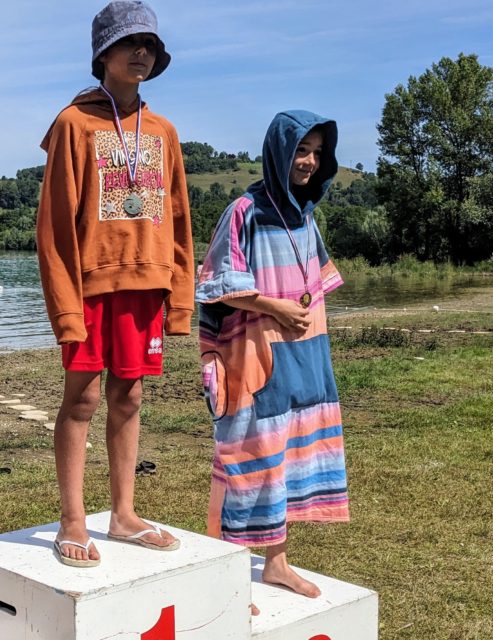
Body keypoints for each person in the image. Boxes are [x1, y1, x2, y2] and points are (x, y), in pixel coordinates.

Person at [35, 0, 194, 567]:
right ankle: (73, 518)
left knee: (130, 397)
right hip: (88, 289)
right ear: (104, 54)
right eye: (132, 44)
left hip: (147, 287)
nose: (142, 54)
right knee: (81, 401)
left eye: (149, 45)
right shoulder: (73, 124)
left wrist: (180, 300)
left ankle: (123, 514)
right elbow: (53, 229)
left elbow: (178, 219)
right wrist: (65, 308)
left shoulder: (165, 132)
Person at [196, 111, 351, 603]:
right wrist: (274, 306)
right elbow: (215, 285)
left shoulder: (306, 214)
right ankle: (221, 576)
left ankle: (276, 565)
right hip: (254, 358)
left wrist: (303, 321)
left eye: (317, 152)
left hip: (302, 356)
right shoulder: (243, 211)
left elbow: (314, 282)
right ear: (279, 151)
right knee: (245, 459)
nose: (308, 161)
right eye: (301, 150)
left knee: (283, 461)